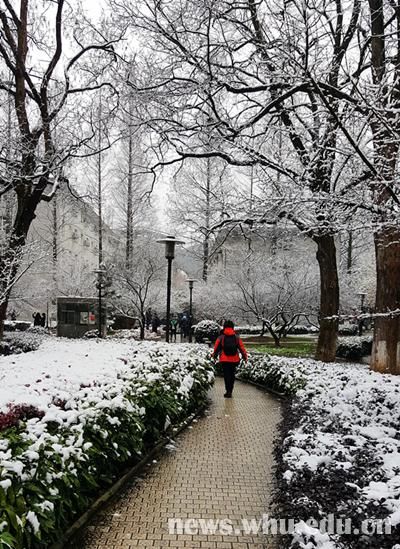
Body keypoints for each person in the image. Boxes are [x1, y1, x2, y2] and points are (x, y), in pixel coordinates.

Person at [212, 320, 248, 398]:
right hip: (234, 359)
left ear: (224, 327)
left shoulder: (221, 337)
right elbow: (242, 348)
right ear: (232, 327)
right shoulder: (236, 337)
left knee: (226, 375)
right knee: (232, 375)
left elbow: (216, 348)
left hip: (224, 359)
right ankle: (230, 390)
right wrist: (245, 357)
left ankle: (228, 391)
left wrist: (214, 356)